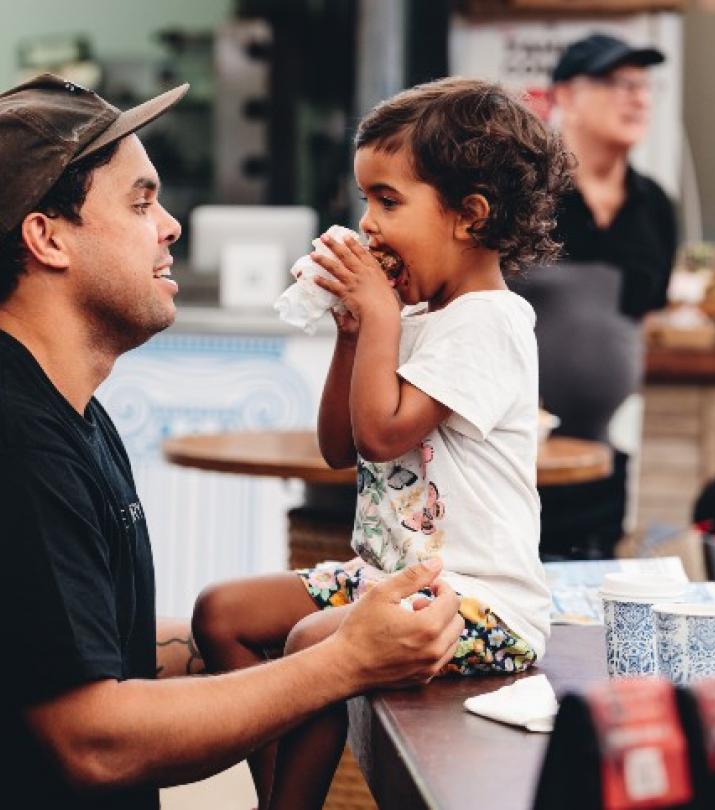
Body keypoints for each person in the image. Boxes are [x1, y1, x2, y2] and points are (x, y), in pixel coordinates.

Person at [0, 73, 466, 810]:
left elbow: (69, 656)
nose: (171, 226)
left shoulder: (51, 409)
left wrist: (284, 641)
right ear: (47, 238)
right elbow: (97, 739)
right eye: (142, 202)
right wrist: (341, 661)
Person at [192, 77, 569, 810]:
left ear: (469, 216)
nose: (367, 224)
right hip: (388, 582)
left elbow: (385, 429)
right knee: (223, 612)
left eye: (387, 201)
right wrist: (355, 331)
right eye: (365, 199)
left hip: (478, 603)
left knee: (312, 646)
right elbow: (341, 445)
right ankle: (277, 790)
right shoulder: (415, 316)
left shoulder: (491, 322)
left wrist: (379, 315)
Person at [511, 33, 676, 559]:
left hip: (605, 460)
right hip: (514, 455)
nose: (637, 97)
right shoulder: (523, 193)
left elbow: (639, 316)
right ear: (566, 96)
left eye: (643, 85)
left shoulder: (655, 206)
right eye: (615, 82)